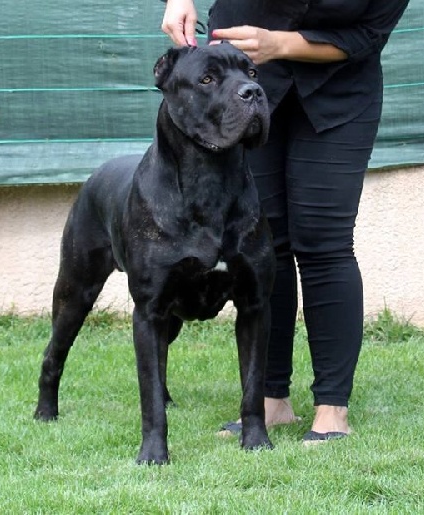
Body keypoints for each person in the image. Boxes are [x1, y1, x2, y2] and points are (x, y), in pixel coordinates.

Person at [160, 0, 410, 443]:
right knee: (264, 243)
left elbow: (367, 34)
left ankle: (332, 408)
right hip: (243, 83)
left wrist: (281, 44)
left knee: (325, 244)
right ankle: (269, 400)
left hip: (340, 89)